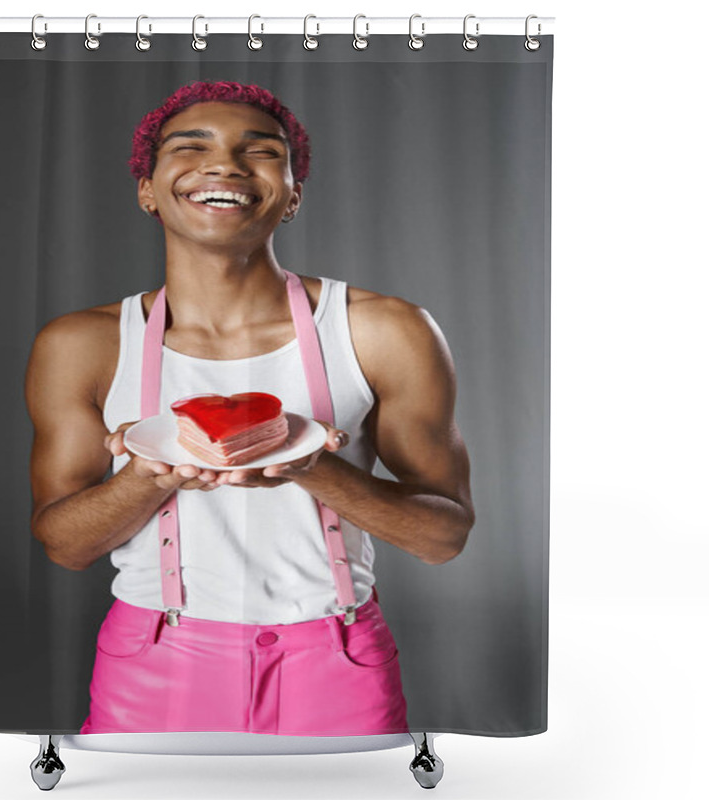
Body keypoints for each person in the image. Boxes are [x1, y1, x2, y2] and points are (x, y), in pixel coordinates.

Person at [24, 80, 475, 737]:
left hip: (338, 660)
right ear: (147, 189)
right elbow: (64, 545)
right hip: (154, 661)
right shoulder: (80, 344)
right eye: (192, 146)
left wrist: (310, 466)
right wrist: (148, 477)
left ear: (292, 195)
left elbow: (444, 538)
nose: (225, 165)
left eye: (259, 151)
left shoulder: (385, 330)